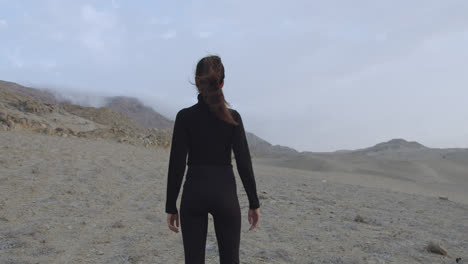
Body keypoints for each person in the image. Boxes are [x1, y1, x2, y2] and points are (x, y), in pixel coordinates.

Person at [165, 55, 261, 263]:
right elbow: (244, 162)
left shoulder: (184, 117)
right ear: (222, 83)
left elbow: (177, 164)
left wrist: (170, 205)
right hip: (225, 195)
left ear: (197, 82)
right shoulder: (233, 117)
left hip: (193, 194)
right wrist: (254, 203)